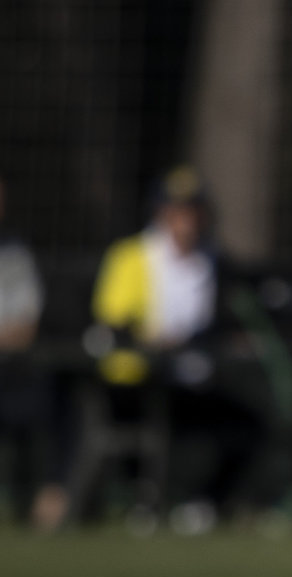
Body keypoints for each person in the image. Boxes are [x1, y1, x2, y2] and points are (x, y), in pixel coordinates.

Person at [86, 166, 263, 533]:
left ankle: (202, 506)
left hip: (192, 376)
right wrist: (152, 337)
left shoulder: (213, 261)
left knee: (247, 427)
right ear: (160, 212)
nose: (187, 220)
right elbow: (113, 320)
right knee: (144, 424)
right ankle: (144, 500)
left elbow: (229, 318)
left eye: (193, 210)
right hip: (138, 378)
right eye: (178, 210)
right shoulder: (132, 255)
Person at [0, 172, 69, 530]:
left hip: (11, 368)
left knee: (55, 401)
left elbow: (24, 326)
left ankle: (49, 498)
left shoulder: (15, 254)